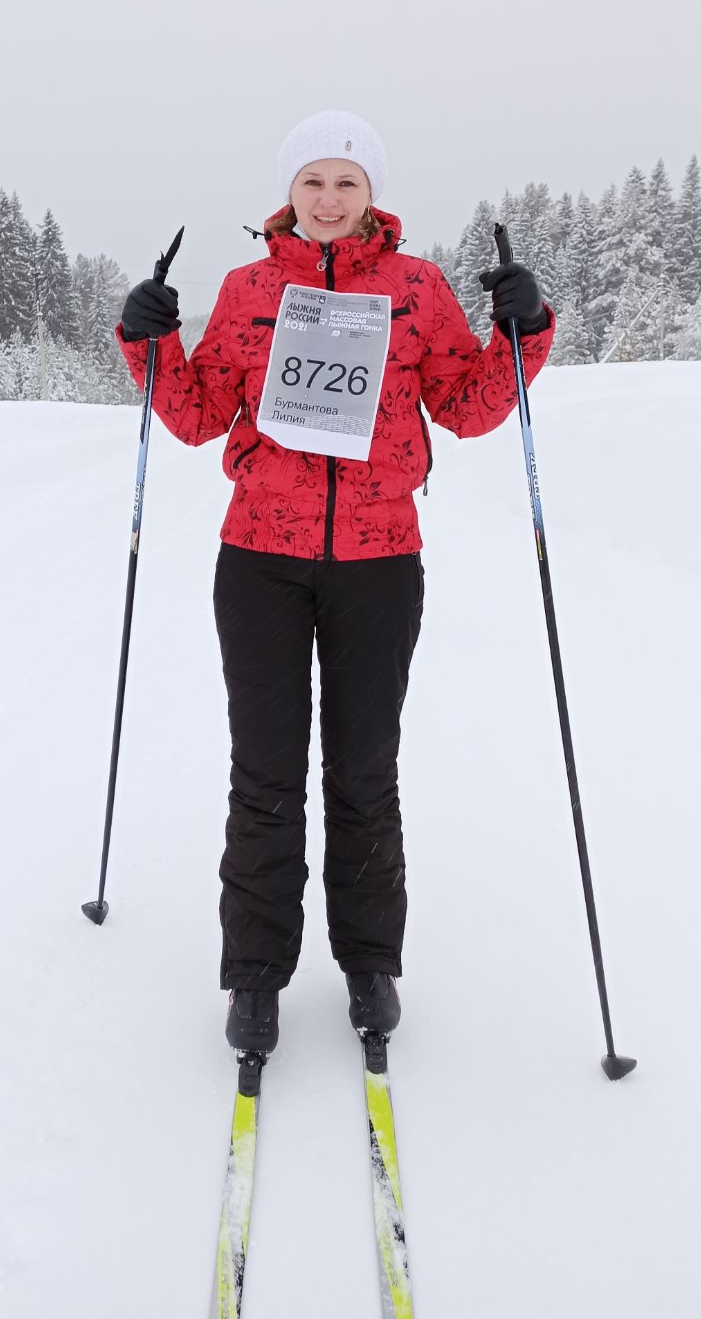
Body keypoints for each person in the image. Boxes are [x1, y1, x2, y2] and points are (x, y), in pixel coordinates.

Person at [117, 111, 555, 1057]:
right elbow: (195, 417)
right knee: (264, 775)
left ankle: (368, 962)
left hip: (379, 562)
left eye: (346, 182)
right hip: (259, 561)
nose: (328, 199)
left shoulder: (415, 288)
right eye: (312, 181)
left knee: (364, 773)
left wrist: (523, 330)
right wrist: (147, 341)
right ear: (288, 191)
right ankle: (254, 974)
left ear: (371, 194)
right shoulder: (248, 288)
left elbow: (467, 405)